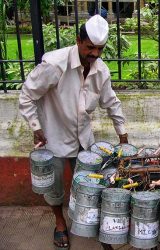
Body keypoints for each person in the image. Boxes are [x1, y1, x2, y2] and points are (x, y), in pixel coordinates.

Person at [19, 14, 128, 249]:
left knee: (92, 184)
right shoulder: (55, 64)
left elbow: (112, 103)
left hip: (84, 140)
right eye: (90, 48)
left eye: (100, 49)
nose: (95, 54)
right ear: (78, 40)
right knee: (55, 187)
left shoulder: (101, 71)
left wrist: (123, 136)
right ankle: (59, 223)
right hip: (53, 138)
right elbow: (27, 95)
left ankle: (94, 227)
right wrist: (37, 128)